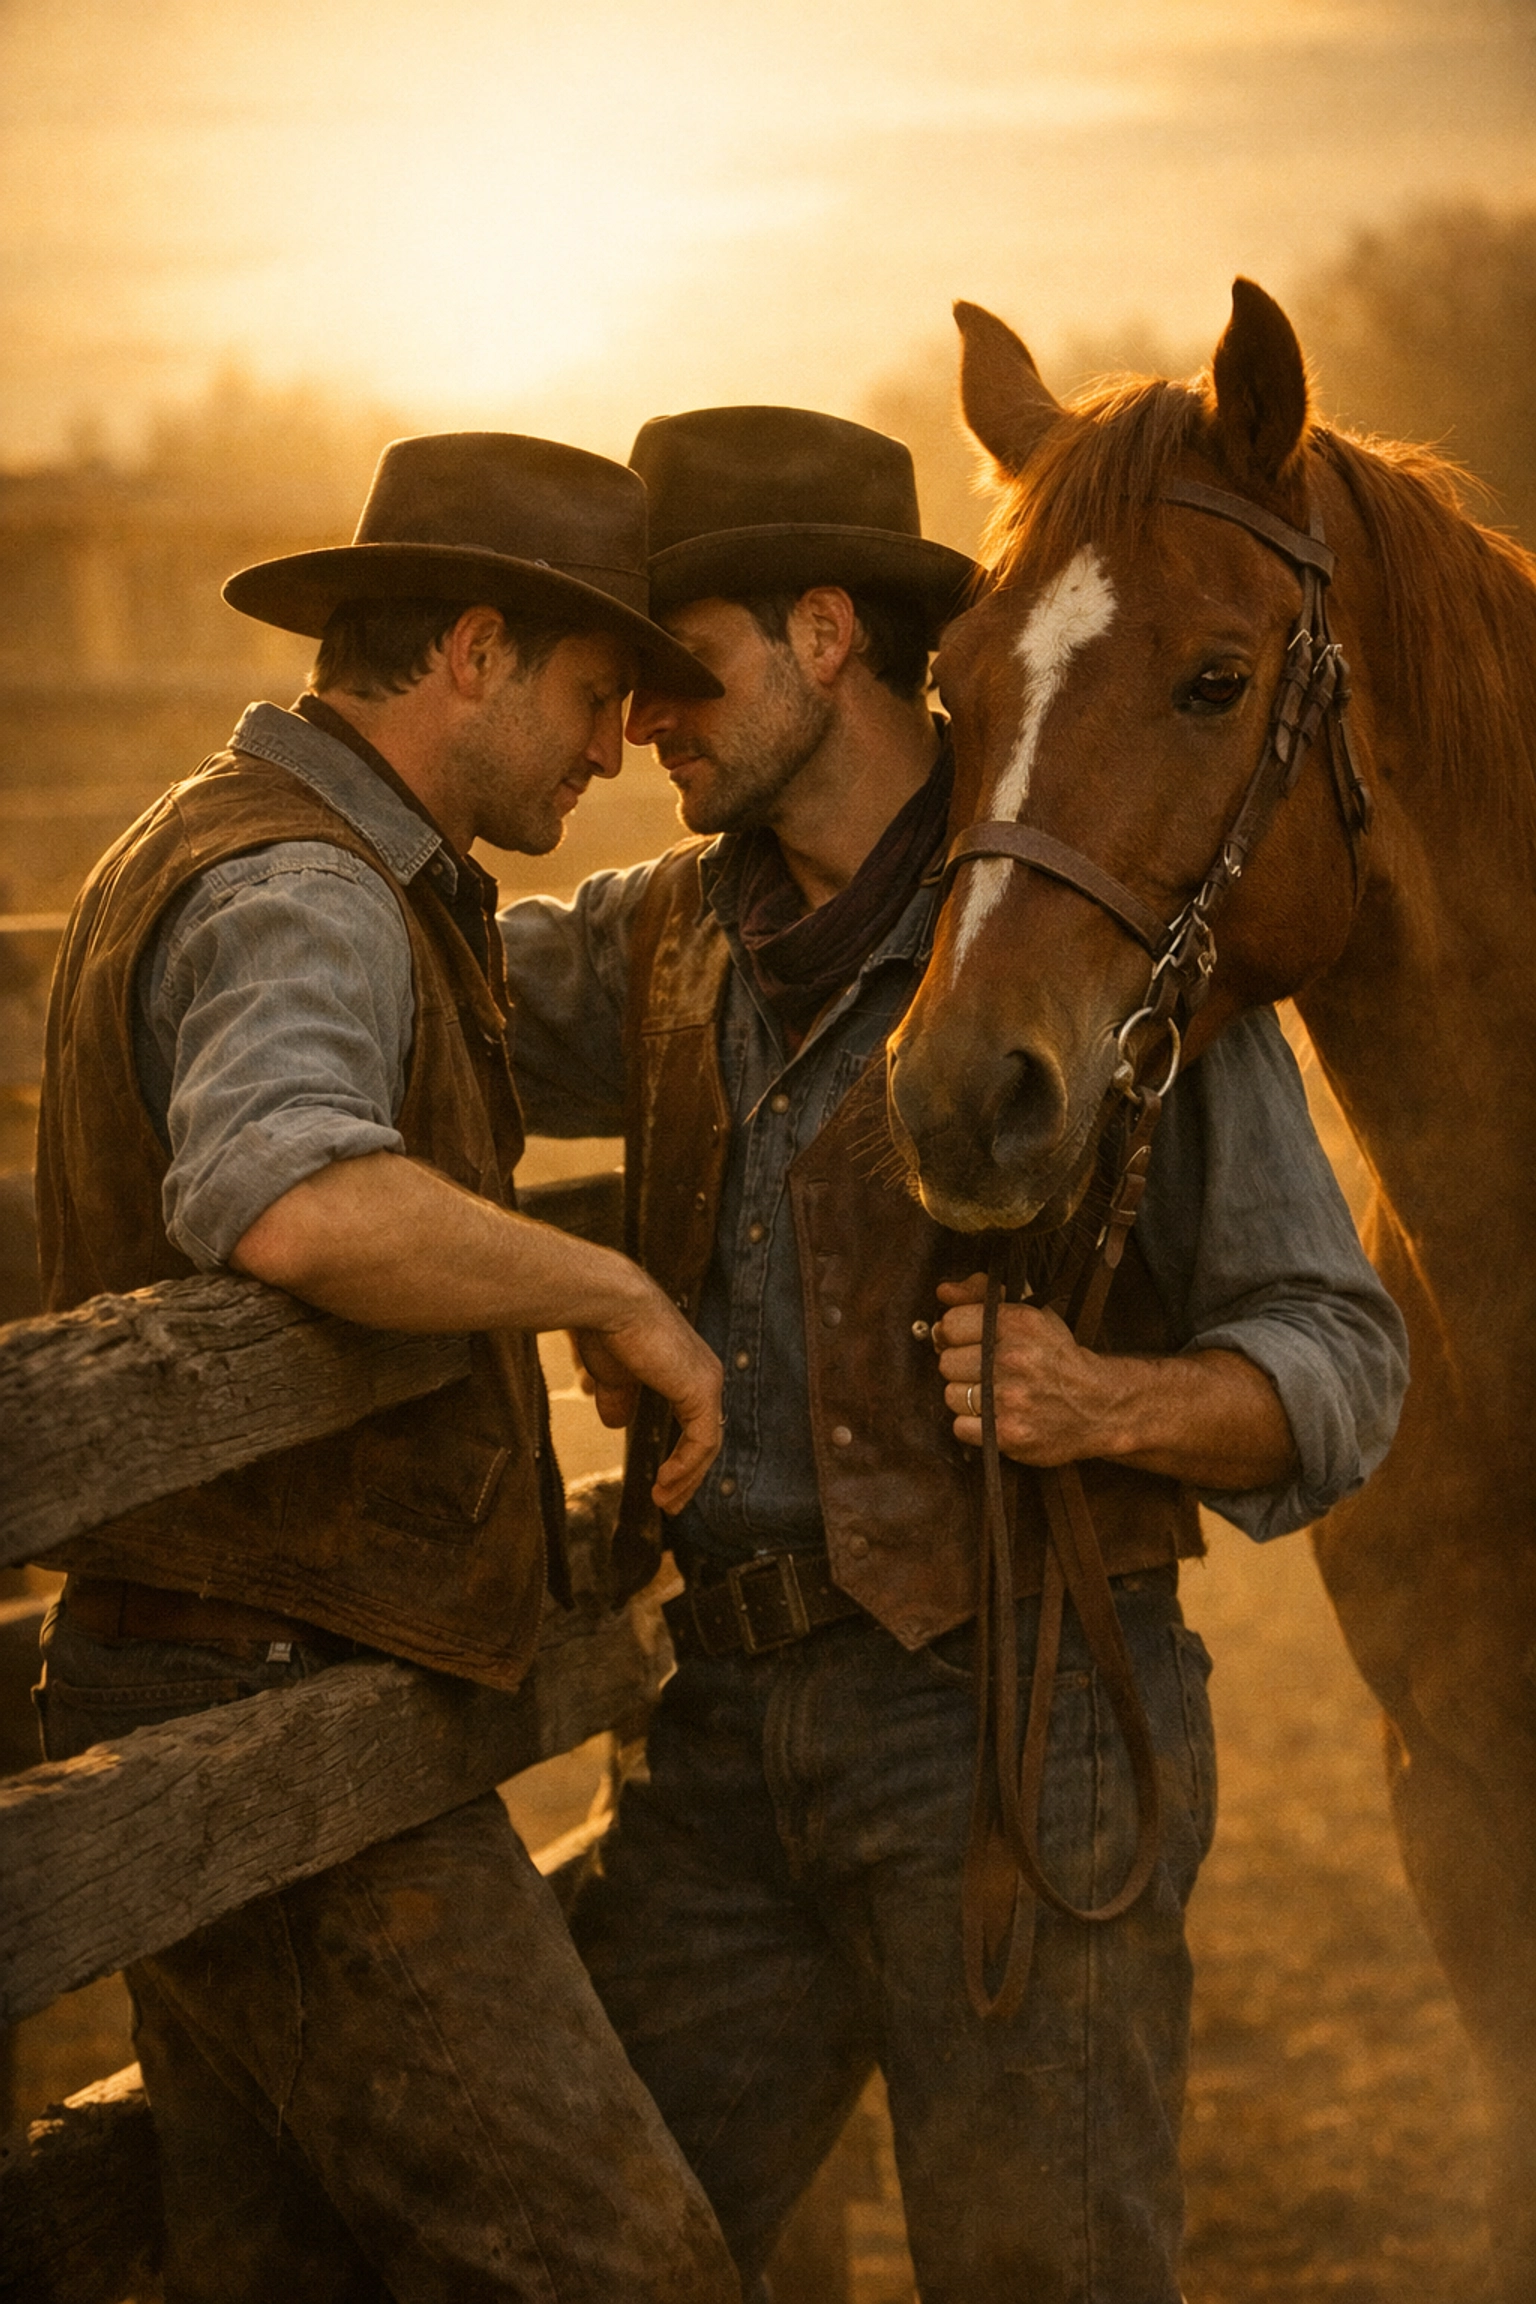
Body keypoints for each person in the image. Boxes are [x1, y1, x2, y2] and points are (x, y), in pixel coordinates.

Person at [496, 407, 1410, 2304]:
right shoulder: (663, 941)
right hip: (724, 1744)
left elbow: (1339, 1355)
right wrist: (280, 832)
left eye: (684, 668)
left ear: (827, 635)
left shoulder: (1109, 931)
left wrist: (1112, 1403)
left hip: (1020, 1734)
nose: (643, 719)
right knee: (582, 2252)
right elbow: (429, 992)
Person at [31, 431, 742, 2304]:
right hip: (262, 1706)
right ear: (478, 651)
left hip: (206, 1672)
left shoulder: (230, 841)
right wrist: (607, 1288)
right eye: (594, 696)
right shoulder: (308, 889)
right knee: (630, 2271)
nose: (611, 748)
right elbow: (291, 1193)